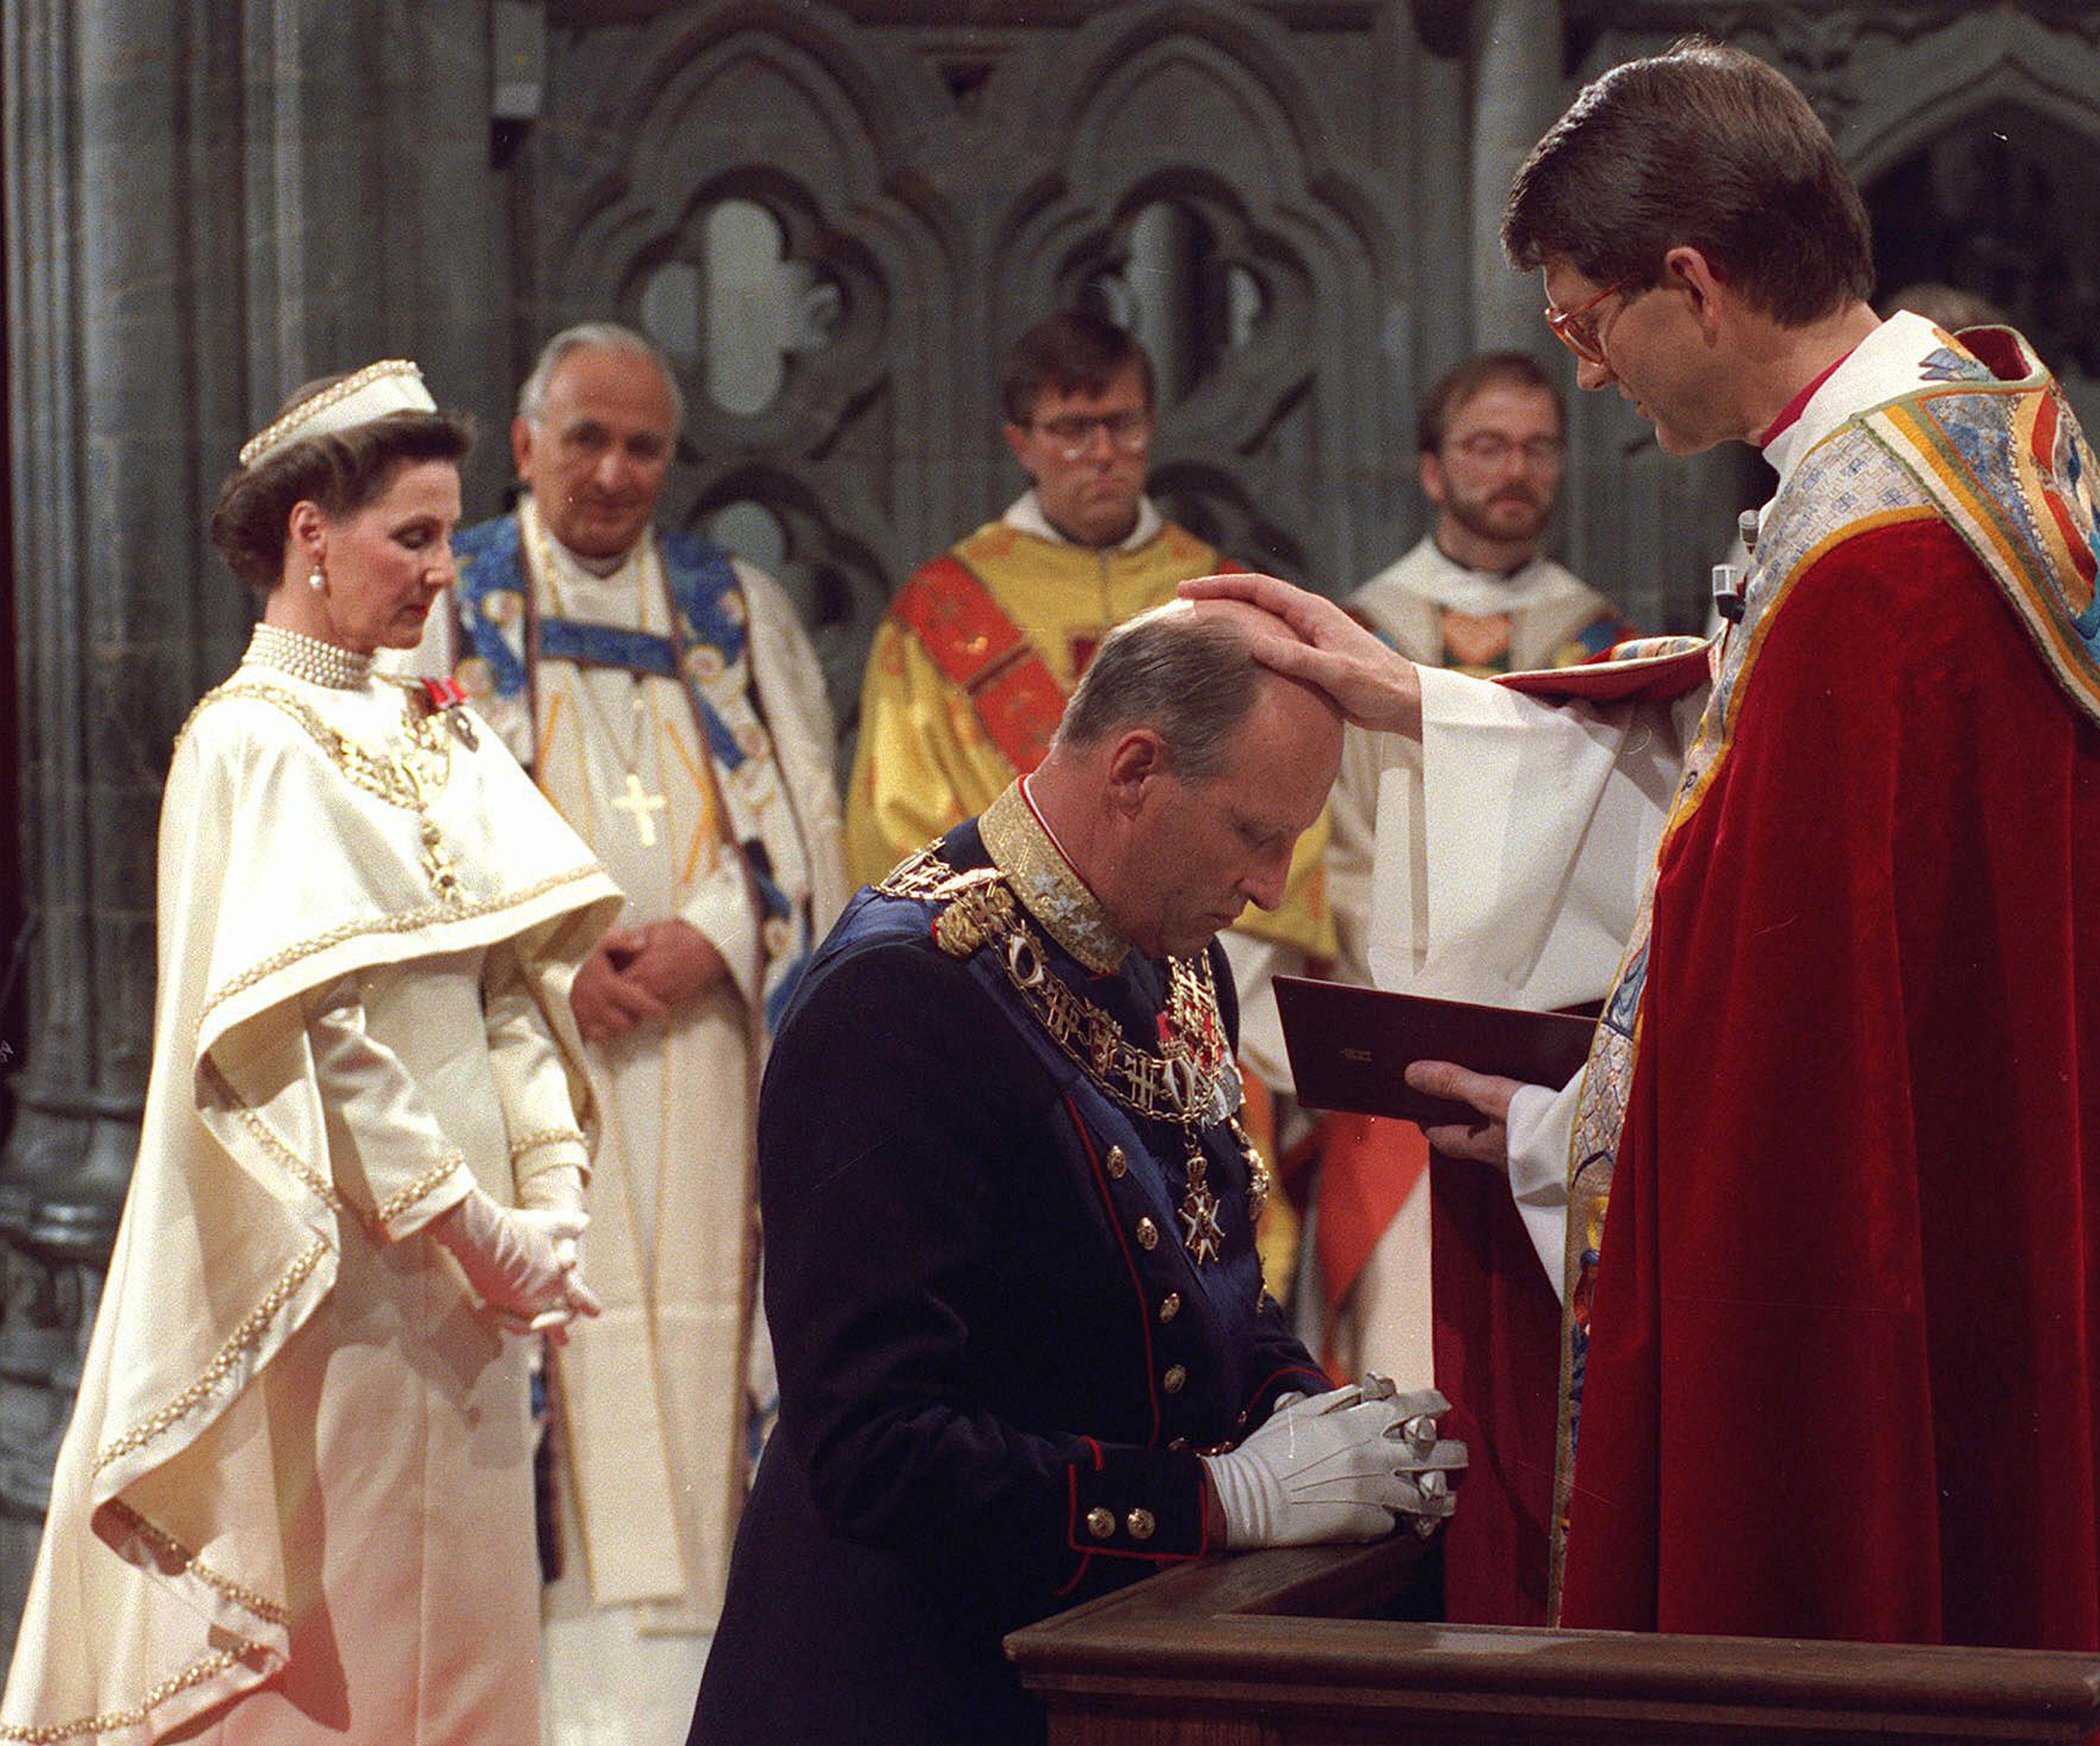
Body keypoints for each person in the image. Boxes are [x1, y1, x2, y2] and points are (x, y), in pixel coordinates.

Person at [1187, 38, 2100, 1746]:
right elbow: (1741, 737)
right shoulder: (1968, 429)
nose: (1595, 376)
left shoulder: (1877, 561)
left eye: (1588, 324)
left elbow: (1794, 1089)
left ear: (1689, 284)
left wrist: (1546, 1139)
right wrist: (1426, 701)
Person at [690, 600, 1465, 1746]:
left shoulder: (1178, 957)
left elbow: (1215, 1300)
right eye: (1256, 831)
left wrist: (1327, 1426)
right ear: (1137, 769)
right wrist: (1225, 1497)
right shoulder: (897, 996)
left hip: (1118, 1659)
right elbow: (876, 1448)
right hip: (911, 1682)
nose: (1272, 881)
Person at [1, 359, 622, 1741]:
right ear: (309, 534)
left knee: (470, 1638)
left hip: (477, 1281)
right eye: (412, 535)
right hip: (339, 1270)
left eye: (449, 534)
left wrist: (552, 1201)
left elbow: (517, 984)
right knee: (346, 1646)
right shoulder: (248, 742)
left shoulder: (438, 728)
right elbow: (310, 1034)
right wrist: (469, 1222)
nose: (440, 572)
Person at [407, 322, 849, 1744]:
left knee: (703, 1335)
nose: (612, 470)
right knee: (568, 1340)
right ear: (524, 444)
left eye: (642, 444)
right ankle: (554, 1699)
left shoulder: (734, 613)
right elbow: (403, 836)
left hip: (708, 1050)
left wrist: (712, 937)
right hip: (520, 1064)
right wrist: (546, 960)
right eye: (583, 438)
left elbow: (800, 824)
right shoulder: (446, 606)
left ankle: (712, 1691)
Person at [844, 311, 1333, 1293]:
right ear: (1021, 442)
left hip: (1196, 987)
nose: (1101, 454)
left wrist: (1196, 955)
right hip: (1013, 1003)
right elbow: (901, 834)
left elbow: (1288, 809)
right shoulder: (943, 610)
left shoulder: (1220, 598)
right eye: (1071, 430)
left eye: (1122, 424)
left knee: (1218, 1263)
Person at [1314, 351, 1633, 1391]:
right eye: (1487, 446)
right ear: (1432, 469)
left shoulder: (1610, 649)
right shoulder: (1358, 643)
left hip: (1562, 1070)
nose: (1517, 470)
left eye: (1540, 447)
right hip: (1400, 1054)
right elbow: (1327, 854)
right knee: (1407, 1375)